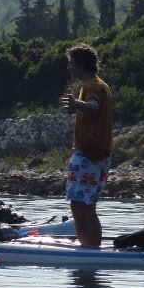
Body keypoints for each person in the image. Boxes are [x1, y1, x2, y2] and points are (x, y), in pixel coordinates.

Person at [60, 43, 113, 247]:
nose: (69, 68)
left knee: (78, 204)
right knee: (89, 206)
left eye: (71, 63)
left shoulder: (92, 86)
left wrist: (76, 104)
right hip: (101, 154)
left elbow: (93, 107)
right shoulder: (100, 85)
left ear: (81, 65)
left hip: (89, 156)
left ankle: (87, 248)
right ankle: (93, 247)